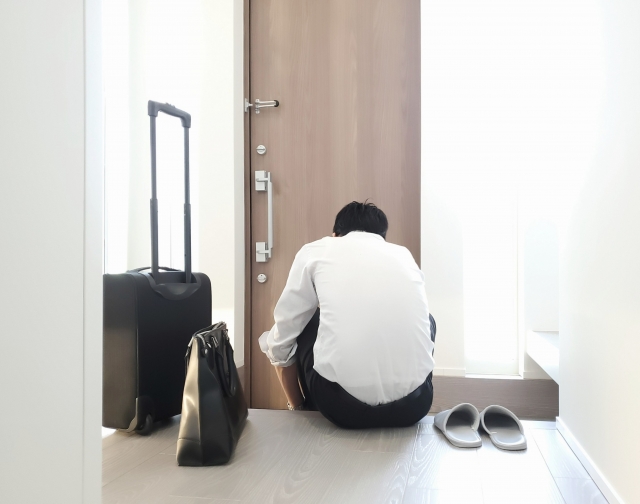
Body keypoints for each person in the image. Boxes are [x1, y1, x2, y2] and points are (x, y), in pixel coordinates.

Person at [259, 201, 435, 429]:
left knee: (304, 321)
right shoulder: (403, 255)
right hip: (415, 407)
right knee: (428, 321)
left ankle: (302, 410)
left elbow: (283, 336)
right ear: (382, 237)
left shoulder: (317, 250)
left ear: (335, 235)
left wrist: (295, 404)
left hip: (340, 408)